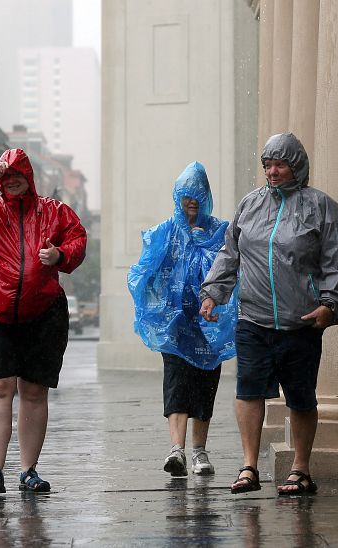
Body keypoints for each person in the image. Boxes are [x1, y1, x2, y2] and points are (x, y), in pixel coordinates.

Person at [199, 133, 338, 496]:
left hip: (301, 321)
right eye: (267, 165)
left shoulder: (322, 207)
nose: (272, 171)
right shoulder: (250, 204)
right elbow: (229, 253)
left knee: (301, 396)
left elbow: (337, 261)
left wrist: (330, 305)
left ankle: (301, 469)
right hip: (252, 319)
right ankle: (249, 466)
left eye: (280, 164)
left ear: (296, 166)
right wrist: (212, 293)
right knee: (248, 392)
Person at [0, 148, 87, 493]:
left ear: (30, 176)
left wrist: (61, 255)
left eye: (17, 174)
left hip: (44, 311)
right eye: (6, 176)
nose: (12, 181)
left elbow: (78, 239)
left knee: (34, 391)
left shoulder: (54, 211)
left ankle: (28, 470)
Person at [127, 162, 237, 477]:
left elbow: (229, 269)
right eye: (186, 194)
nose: (192, 201)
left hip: (208, 323)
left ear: (207, 197)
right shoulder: (165, 232)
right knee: (176, 382)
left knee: (205, 383)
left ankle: (200, 452)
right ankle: (177, 450)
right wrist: (154, 306)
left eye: (198, 194)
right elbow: (144, 271)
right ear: (177, 196)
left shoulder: (220, 232)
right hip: (174, 325)